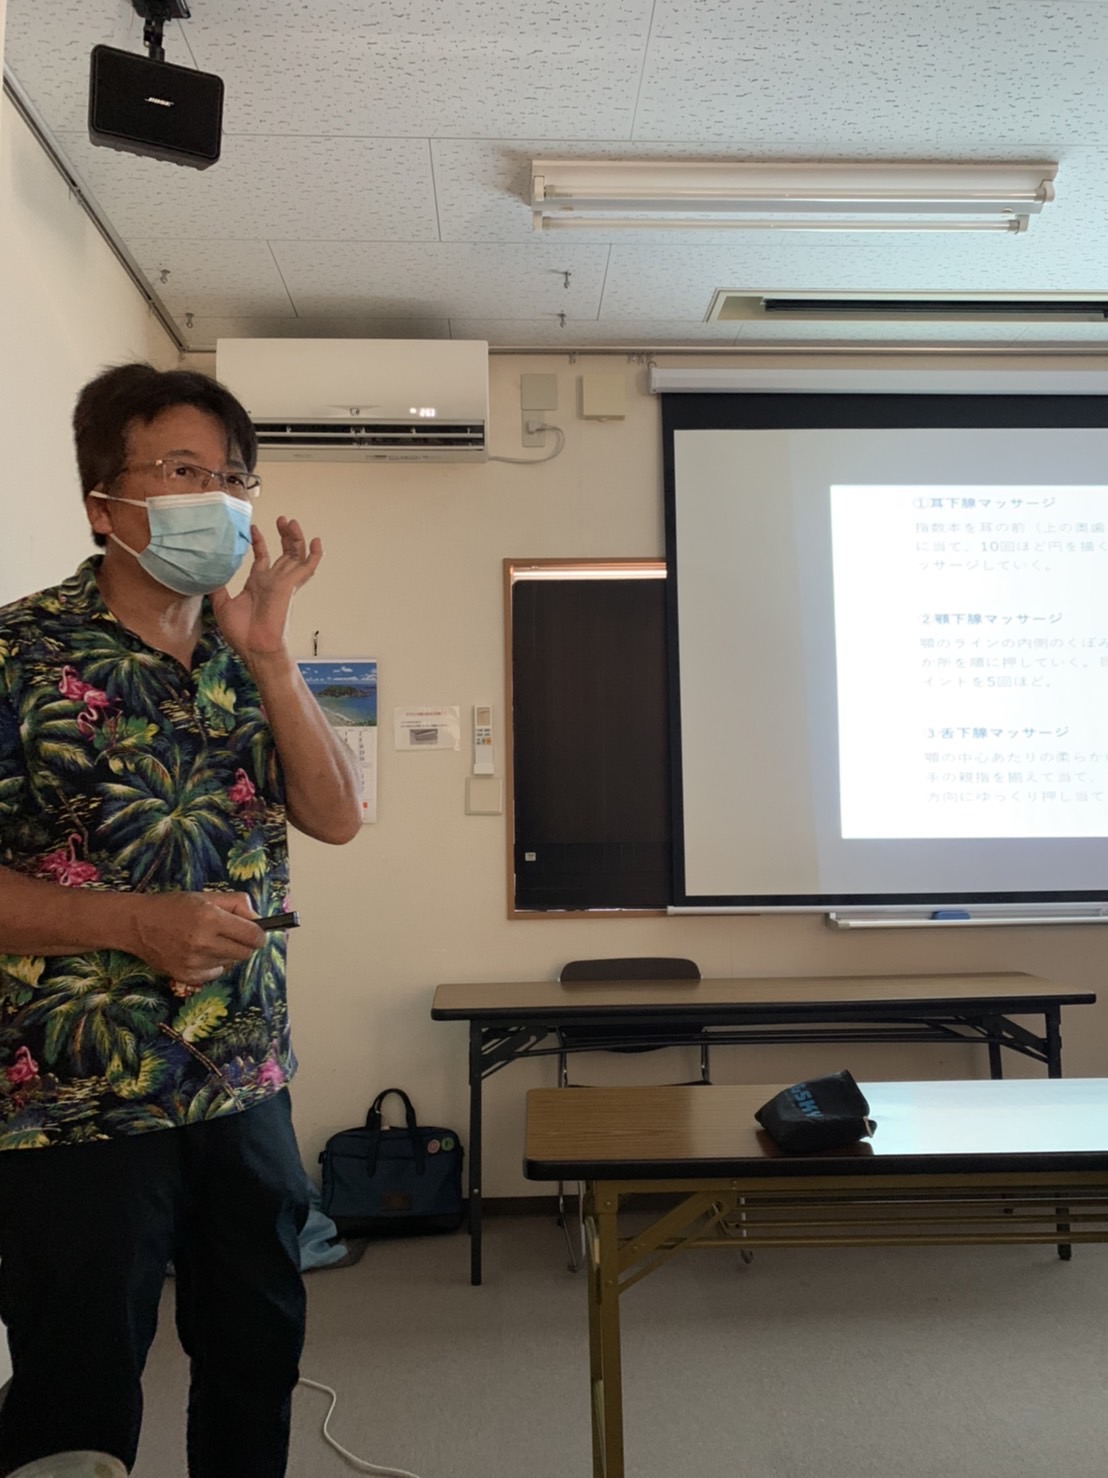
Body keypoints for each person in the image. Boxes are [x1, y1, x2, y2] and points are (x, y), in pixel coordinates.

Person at [0, 363, 362, 1477]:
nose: (218, 496)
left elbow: (337, 816)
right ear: (103, 504)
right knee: (77, 1394)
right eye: (182, 469)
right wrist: (131, 922)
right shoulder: (18, 655)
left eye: (233, 476)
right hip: (75, 1104)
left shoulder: (244, 657)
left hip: (245, 1077)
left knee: (256, 1359)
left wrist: (270, 654)